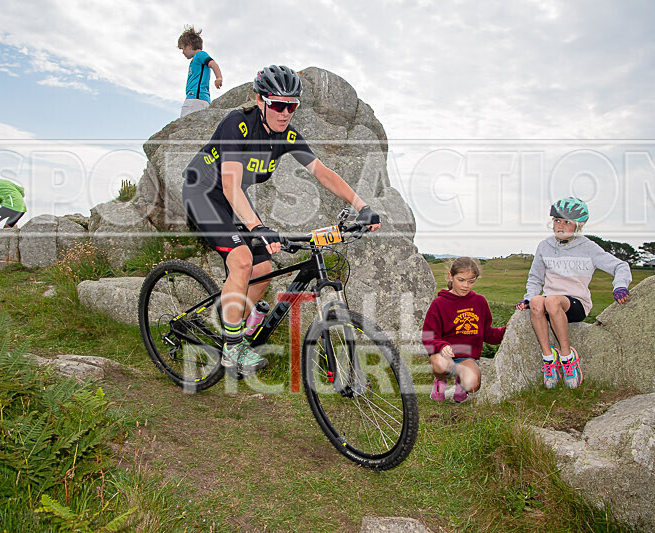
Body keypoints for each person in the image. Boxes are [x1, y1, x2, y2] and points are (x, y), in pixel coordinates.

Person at [182, 65, 382, 376]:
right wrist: (256, 227)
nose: (285, 112)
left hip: (232, 200)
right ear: (260, 100)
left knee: (263, 270)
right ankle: (231, 349)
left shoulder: (288, 135)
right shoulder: (239, 124)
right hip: (203, 193)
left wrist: (362, 205)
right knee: (242, 260)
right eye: (277, 104)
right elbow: (230, 185)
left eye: (292, 106)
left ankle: (236, 332)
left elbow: (323, 173)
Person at [515, 197, 631, 390]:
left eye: (567, 222)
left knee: (551, 301)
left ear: (579, 225)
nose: (560, 226)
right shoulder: (544, 246)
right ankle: (549, 359)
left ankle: (568, 358)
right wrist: (528, 298)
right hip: (550, 301)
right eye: (557, 220)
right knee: (537, 302)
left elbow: (621, 266)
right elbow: (535, 278)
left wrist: (620, 286)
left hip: (576, 303)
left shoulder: (588, 247)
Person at [422, 257, 505, 403]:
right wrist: (442, 346)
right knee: (439, 364)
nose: (466, 285)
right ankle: (440, 381)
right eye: (461, 280)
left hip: (466, 358)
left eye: (471, 281)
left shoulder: (480, 302)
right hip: (445, 357)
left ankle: (460, 384)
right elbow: (428, 337)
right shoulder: (439, 303)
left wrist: (507, 330)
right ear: (450, 276)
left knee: (473, 385)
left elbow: (488, 334)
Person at [177, 26, 223, 117]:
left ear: (189, 45)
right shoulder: (195, 60)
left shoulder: (200, 54)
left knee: (185, 124)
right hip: (200, 98)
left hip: (195, 98)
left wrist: (219, 77)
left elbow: (212, 63)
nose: (183, 52)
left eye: (183, 49)